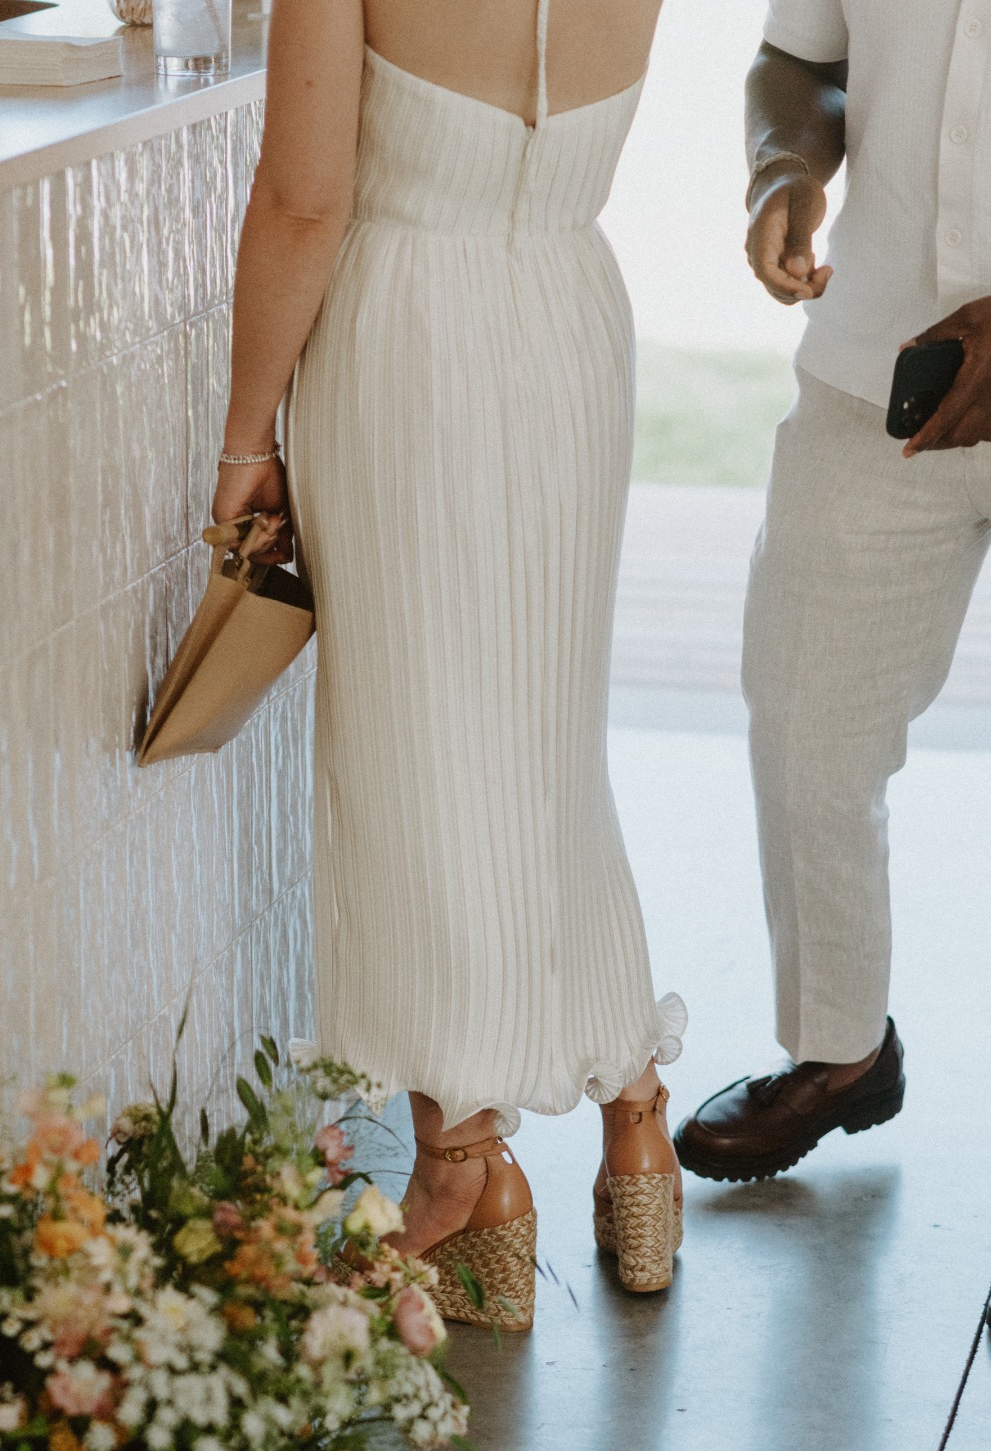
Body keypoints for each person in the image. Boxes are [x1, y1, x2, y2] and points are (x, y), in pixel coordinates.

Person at [212, 0, 686, 1318]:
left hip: (410, 334)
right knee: (548, 755)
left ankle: (463, 1170)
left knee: (415, 760)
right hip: (570, 315)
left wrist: (245, 435)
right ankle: (636, 1126)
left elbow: (305, 201)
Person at [676, 0, 991, 1183]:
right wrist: (784, 171)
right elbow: (800, 57)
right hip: (878, 362)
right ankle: (841, 1052)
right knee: (808, 722)